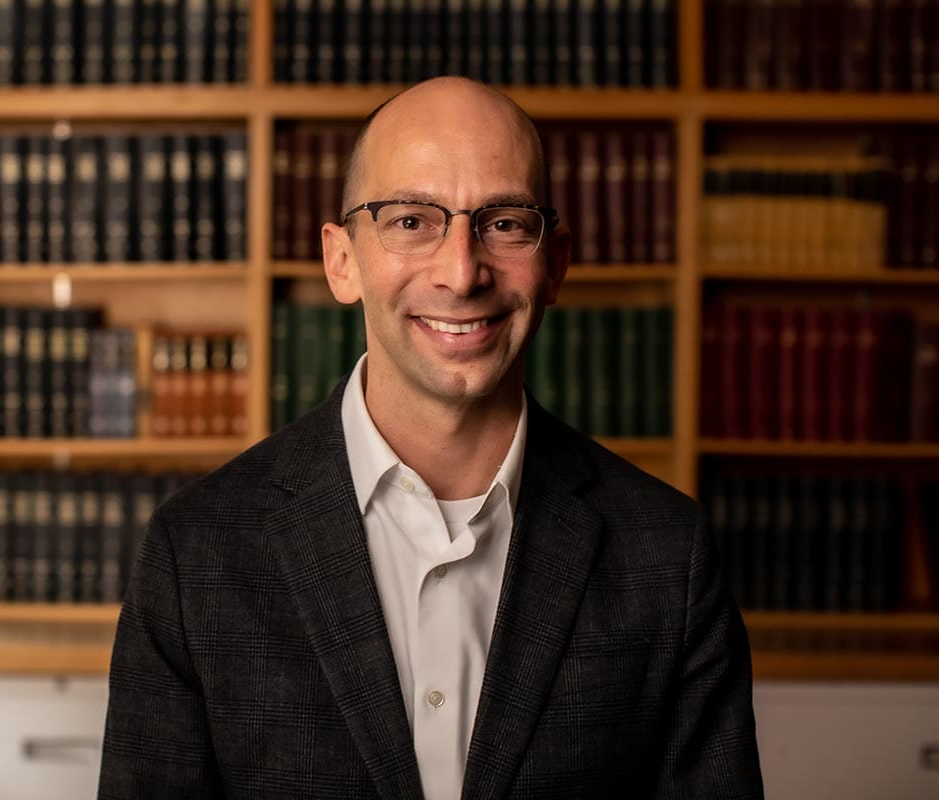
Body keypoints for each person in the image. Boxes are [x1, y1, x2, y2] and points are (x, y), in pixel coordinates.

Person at [98, 77, 763, 800]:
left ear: (556, 264)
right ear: (341, 259)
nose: (460, 272)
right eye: (412, 220)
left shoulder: (669, 556)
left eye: (504, 222)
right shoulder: (195, 553)